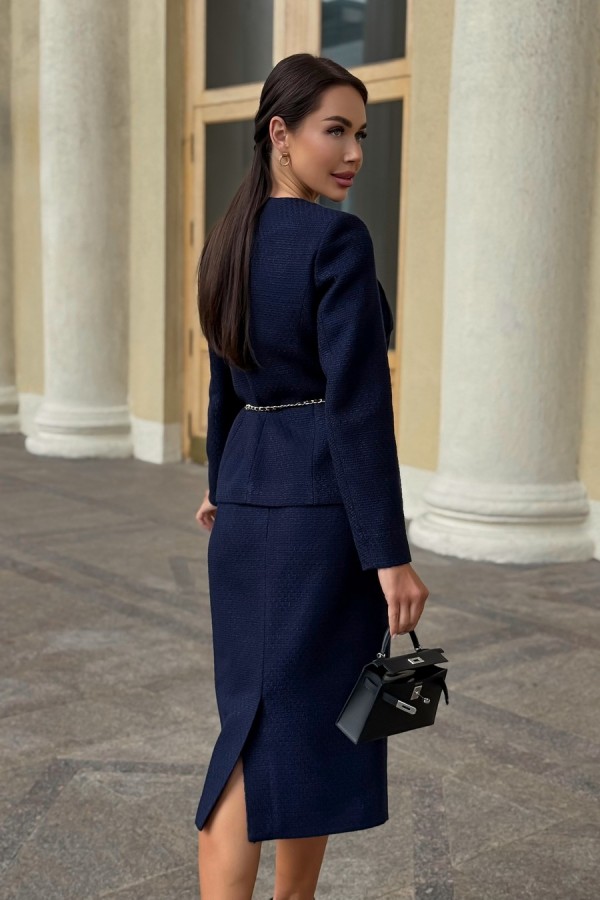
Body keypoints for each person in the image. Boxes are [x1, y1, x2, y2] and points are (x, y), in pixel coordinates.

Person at [193, 52, 429, 900]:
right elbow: (357, 407)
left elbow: (225, 382)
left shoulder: (227, 244)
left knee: (260, 724)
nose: (353, 152)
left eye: (362, 134)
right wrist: (388, 554)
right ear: (281, 133)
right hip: (320, 521)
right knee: (297, 728)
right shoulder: (337, 240)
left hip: (246, 510)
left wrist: (220, 480)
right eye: (336, 131)